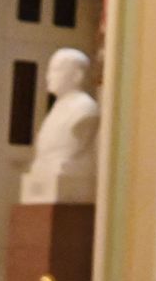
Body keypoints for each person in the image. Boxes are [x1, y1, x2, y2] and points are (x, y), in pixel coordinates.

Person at [22, 48, 100, 204]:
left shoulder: (85, 109)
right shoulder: (56, 110)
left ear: (77, 76)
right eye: (49, 71)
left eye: (56, 70)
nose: (49, 77)